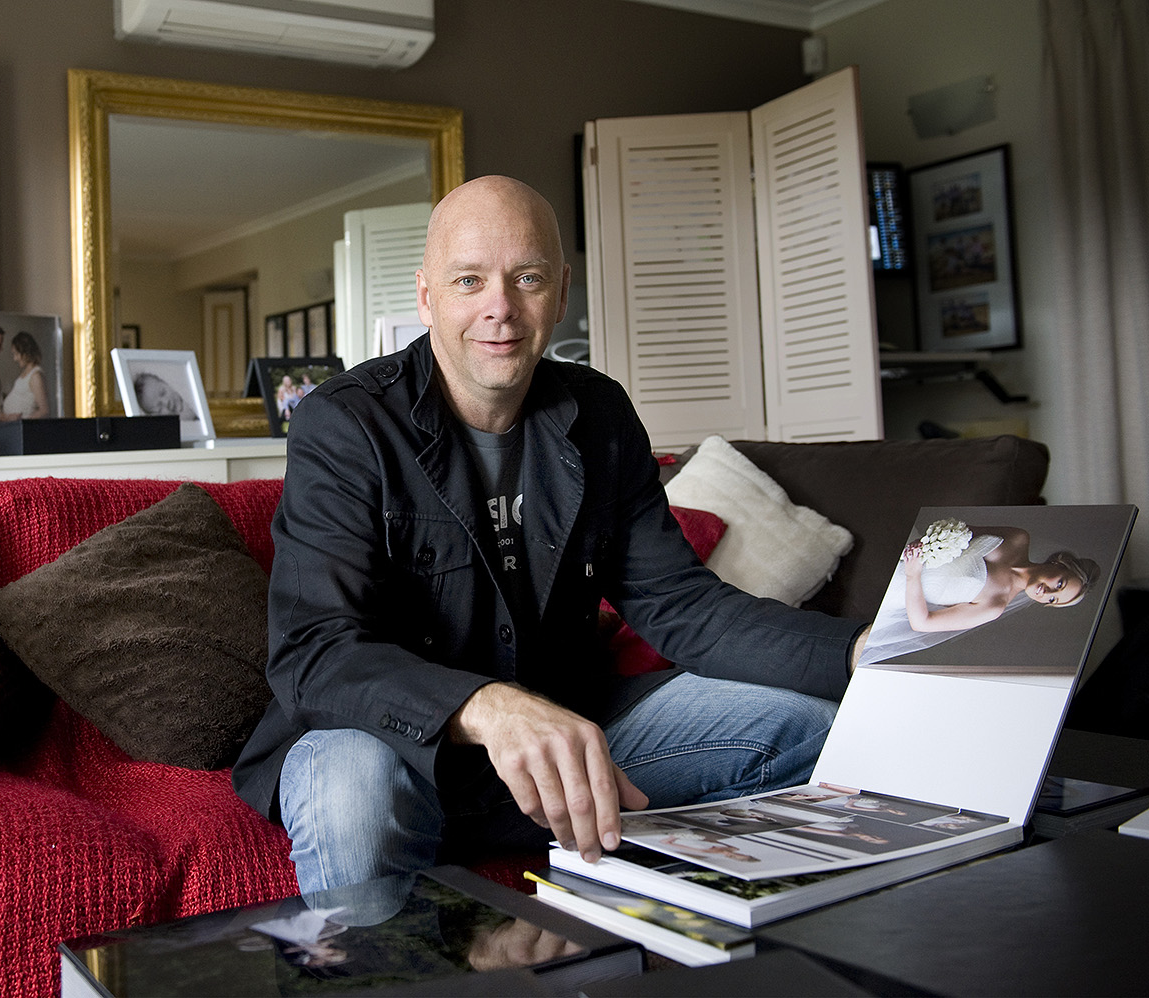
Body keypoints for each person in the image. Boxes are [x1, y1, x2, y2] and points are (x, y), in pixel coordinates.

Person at [231, 176, 870, 895]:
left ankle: (703, 924)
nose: (500, 307)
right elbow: (315, 652)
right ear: (426, 297)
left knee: (812, 725)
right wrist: (488, 706)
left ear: (561, 293)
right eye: (469, 280)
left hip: (564, 732)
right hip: (387, 742)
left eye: (527, 278)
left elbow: (682, 606)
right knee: (353, 798)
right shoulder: (345, 422)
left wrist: (864, 651)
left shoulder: (600, 413)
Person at [858, 522, 1100, 666]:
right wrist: (926, 544)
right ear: (1059, 563)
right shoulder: (1018, 538)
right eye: (1059, 584)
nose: (1047, 593)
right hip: (902, 545)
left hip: (894, 589)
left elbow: (922, 623)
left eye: (1053, 600)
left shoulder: (994, 606)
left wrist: (913, 574)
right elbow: (960, 530)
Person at [2, 330, 49, 420]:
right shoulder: (26, 373)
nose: (15, 359)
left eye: (16, 354)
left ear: (25, 353)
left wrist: (23, 422)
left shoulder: (36, 376)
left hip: (24, 426)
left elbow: (44, 411)